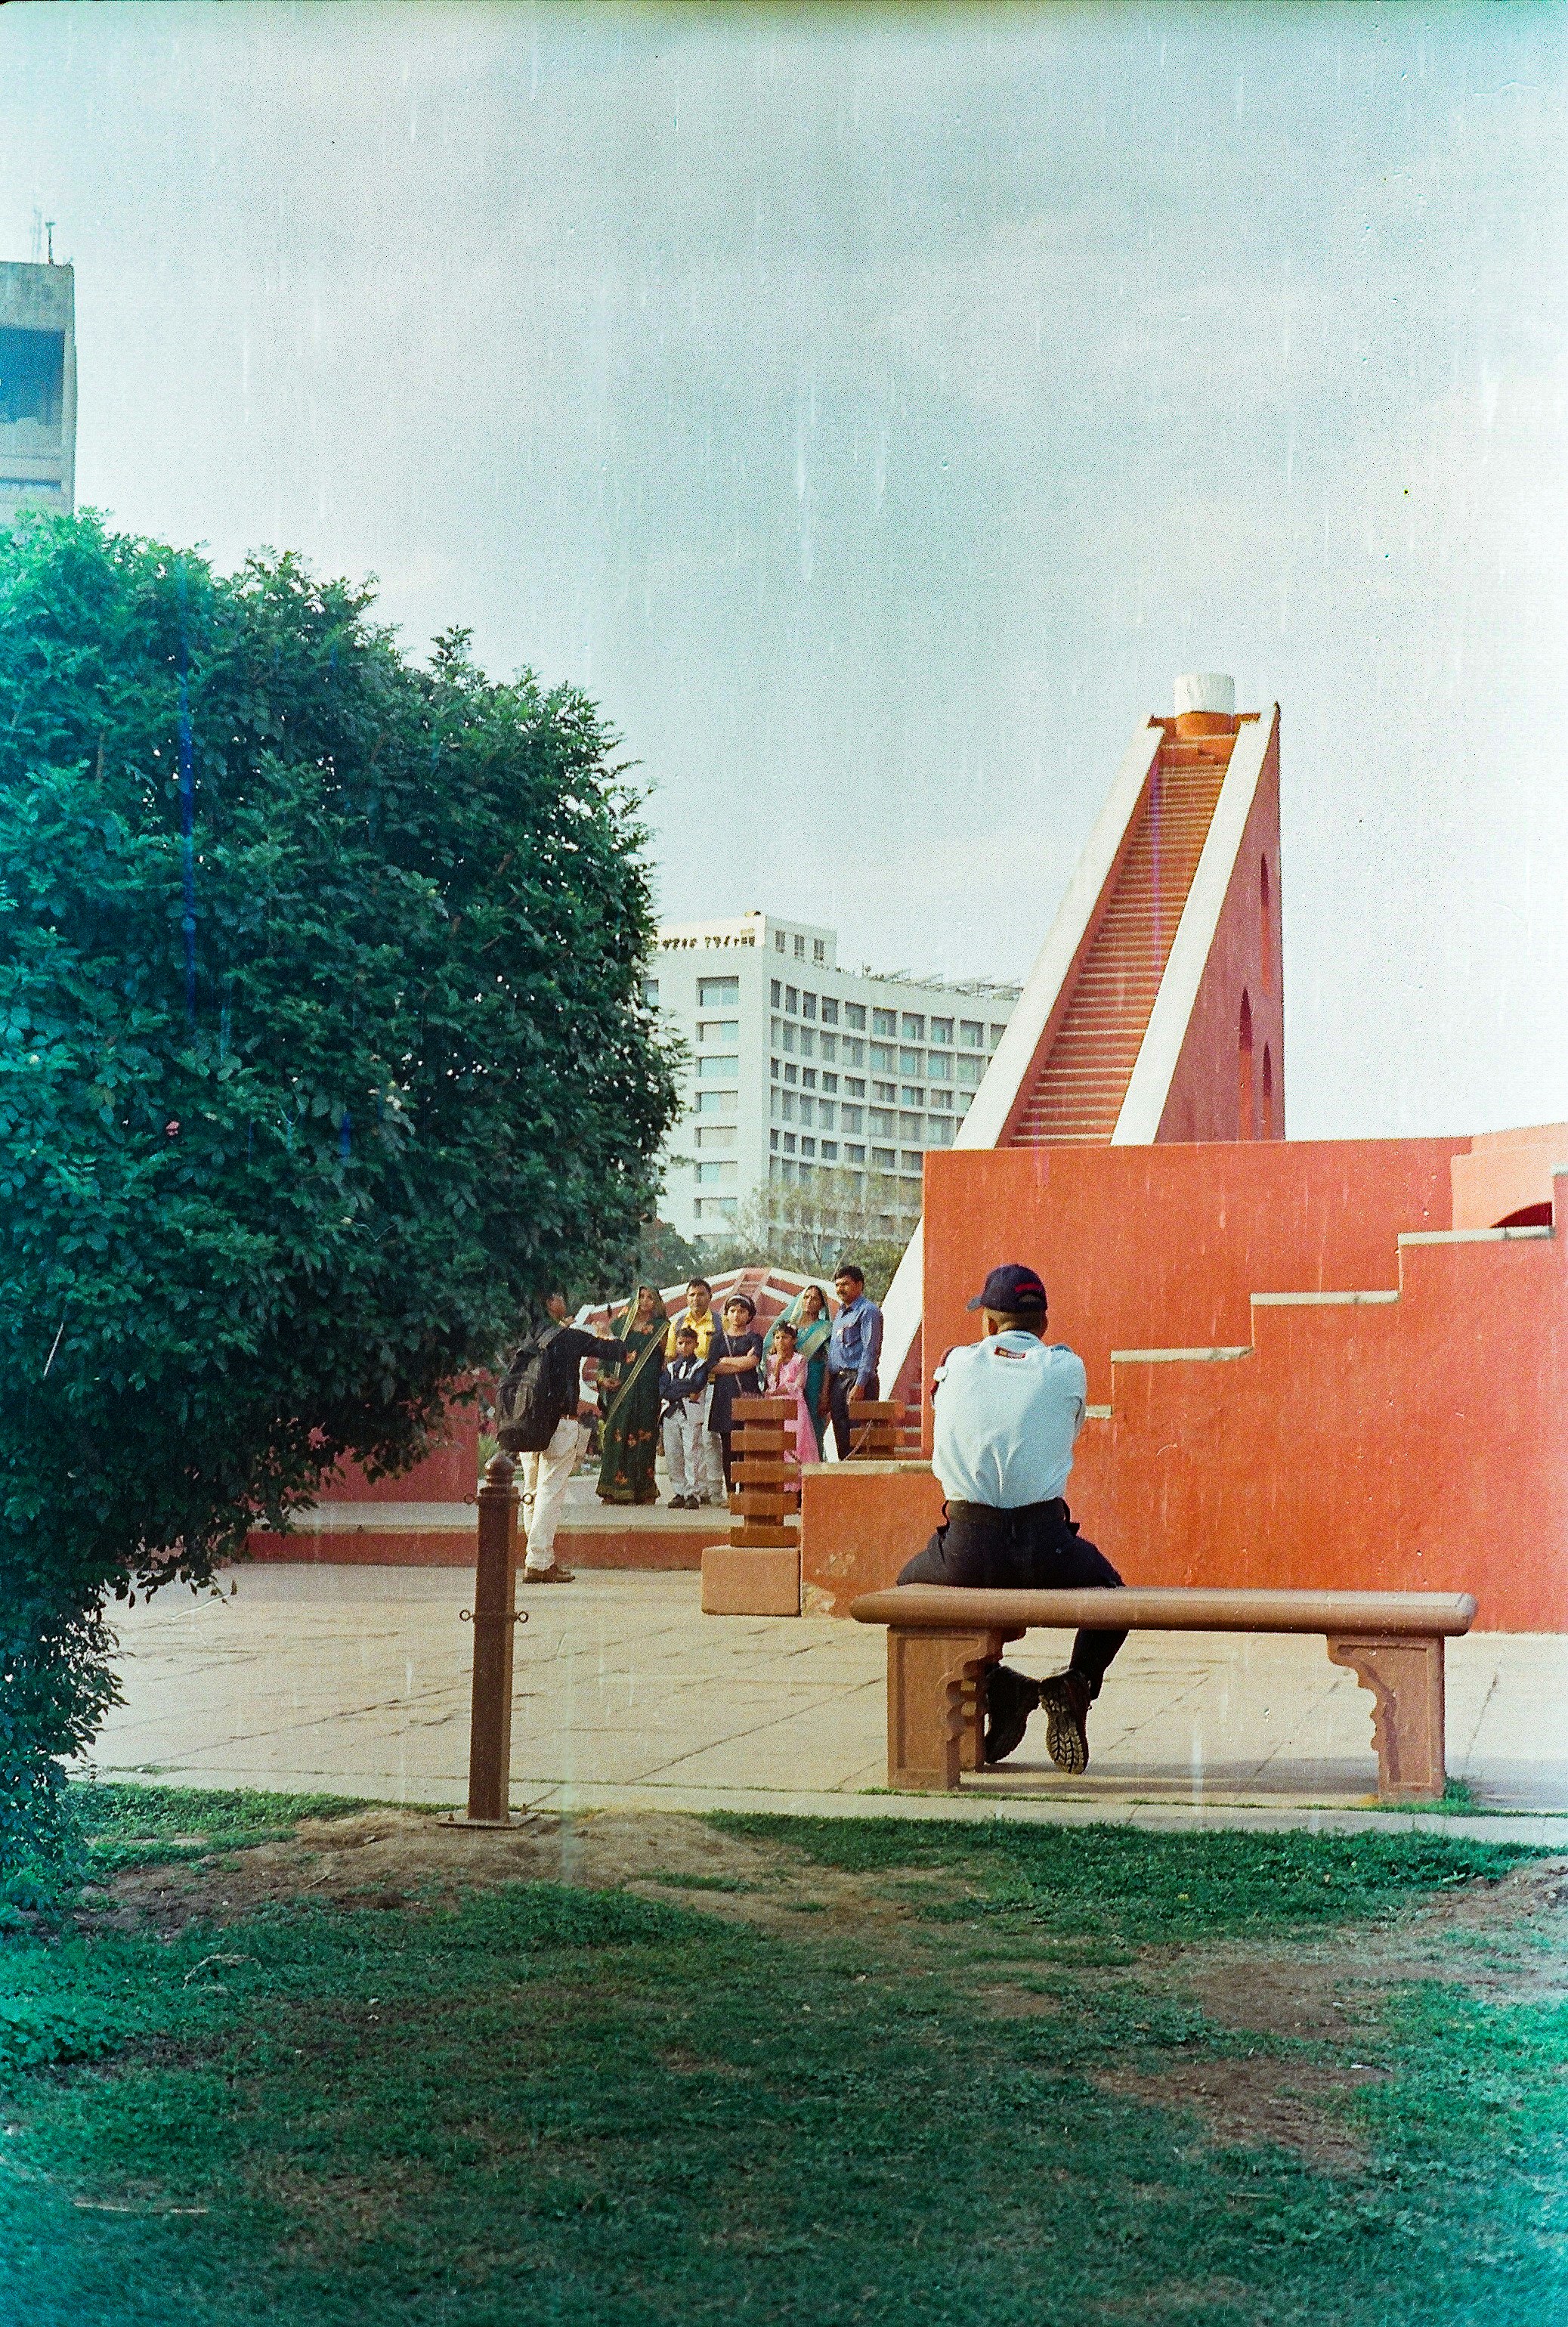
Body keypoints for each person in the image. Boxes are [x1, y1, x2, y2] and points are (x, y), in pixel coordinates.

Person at [896, 1262, 1127, 1773]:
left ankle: (995, 1680)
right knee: (1113, 1594)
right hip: (1046, 1548)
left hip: (965, 1550)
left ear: (986, 1321)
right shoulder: (1067, 1367)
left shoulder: (953, 1363)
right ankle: (1077, 1682)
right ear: (1043, 1323)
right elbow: (1068, 1428)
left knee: (905, 1589)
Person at [514, 1290, 629, 1584]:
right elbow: (619, 1352)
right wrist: (606, 1333)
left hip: (528, 1421)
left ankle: (537, 1556)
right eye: (561, 1297)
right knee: (550, 1491)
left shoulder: (529, 1336)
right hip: (560, 1422)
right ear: (552, 1302)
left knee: (532, 1490)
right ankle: (539, 1561)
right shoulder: (568, 1337)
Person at [595, 1285, 669, 1507]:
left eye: (650, 1298)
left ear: (657, 1302)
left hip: (647, 1392)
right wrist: (603, 1379)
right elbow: (604, 1356)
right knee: (615, 1436)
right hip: (620, 1391)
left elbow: (666, 1361)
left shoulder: (661, 1328)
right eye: (641, 1297)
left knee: (645, 1435)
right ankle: (611, 1489)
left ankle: (643, 1490)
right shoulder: (618, 1325)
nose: (645, 1301)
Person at [663, 1278, 725, 1505]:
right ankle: (684, 1491)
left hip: (709, 1385)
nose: (696, 1299)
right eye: (691, 1295)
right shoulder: (678, 1322)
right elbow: (670, 1356)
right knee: (680, 1443)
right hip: (680, 1393)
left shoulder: (720, 1322)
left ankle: (710, 1489)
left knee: (708, 1439)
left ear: (709, 1296)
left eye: (700, 1294)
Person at [763, 1283, 833, 1459]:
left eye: (815, 1298)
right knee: (788, 1427)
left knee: (812, 1427)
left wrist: (825, 1394)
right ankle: (788, 1476)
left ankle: (811, 1473)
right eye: (806, 1297)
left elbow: (829, 1361)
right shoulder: (789, 1328)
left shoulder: (825, 1328)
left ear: (822, 1304)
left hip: (815, 1380)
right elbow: (771, 1350)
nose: (809, 1301)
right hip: (788, 1384)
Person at [705, 1293, 765, 1494]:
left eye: (742, 1311)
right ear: (727, 1314)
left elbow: (753, 1362)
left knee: (748, 1444)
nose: (737, 1315)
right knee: (728, 1445)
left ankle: (747, 1490)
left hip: (747, 1394)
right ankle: (731, 1492)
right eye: (733, 1311)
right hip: (724, 1395)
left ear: (749, 1315)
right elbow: (713, 1367)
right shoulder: (717, 1339)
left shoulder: (755, 1338)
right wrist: (739, 1362)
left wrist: (727, 1361)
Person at [825, 1261, 883, 1459]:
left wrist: (860, 1384)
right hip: (838, 1382)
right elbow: (833, 1354)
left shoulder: (868, 1311)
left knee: (859, 1439)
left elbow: (870, 1349)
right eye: (838, 1284)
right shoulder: (840, 1314)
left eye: (845, 1284)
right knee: (842, 1437)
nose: (840, 1289)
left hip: (858, 1381)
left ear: (859, 1285)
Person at [659, 1325, 711, 1508]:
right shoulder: (671, 1366)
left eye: (688, 1343)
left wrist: (678, 1387)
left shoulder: (701, 1365)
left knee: (692, 1452)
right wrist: (683, 1388)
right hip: (671, 1413)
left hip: (690, 1413)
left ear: (696, 1344)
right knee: (673, 1452)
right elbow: (663, 1389)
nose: (684, 1347)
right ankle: (679, 1491)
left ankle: (693, 1493)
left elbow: (696, 1385)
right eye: (680, 1343)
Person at [766, 1322, 820, 1475]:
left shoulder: (799, 1360)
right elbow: (771, 1385)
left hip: (794, 1407)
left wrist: (780, 1390)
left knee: (797, 1444)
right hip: (776, 1407)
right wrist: (777, 1364)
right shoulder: (771, 1360)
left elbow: (798, 1387)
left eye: (785, 1337)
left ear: (794, 1340)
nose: (780, 1341)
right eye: (777, 1338)